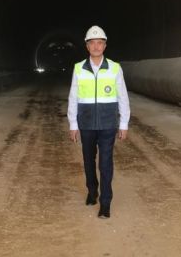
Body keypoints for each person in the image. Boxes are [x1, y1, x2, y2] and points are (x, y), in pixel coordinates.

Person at [67, 25, 130, 219]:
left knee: (105, 163)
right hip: (86, 124)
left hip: (107, 124)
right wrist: (73, 124)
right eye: (92, 43)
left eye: (100, 43)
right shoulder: (79, 68)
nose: (96, 46)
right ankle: (92, 191)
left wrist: (124, 123)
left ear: (105, 46)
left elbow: (123, 97)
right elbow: (73, 97)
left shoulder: (114, 68)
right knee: (88, 161)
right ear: (87, 46)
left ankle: (105, 203)